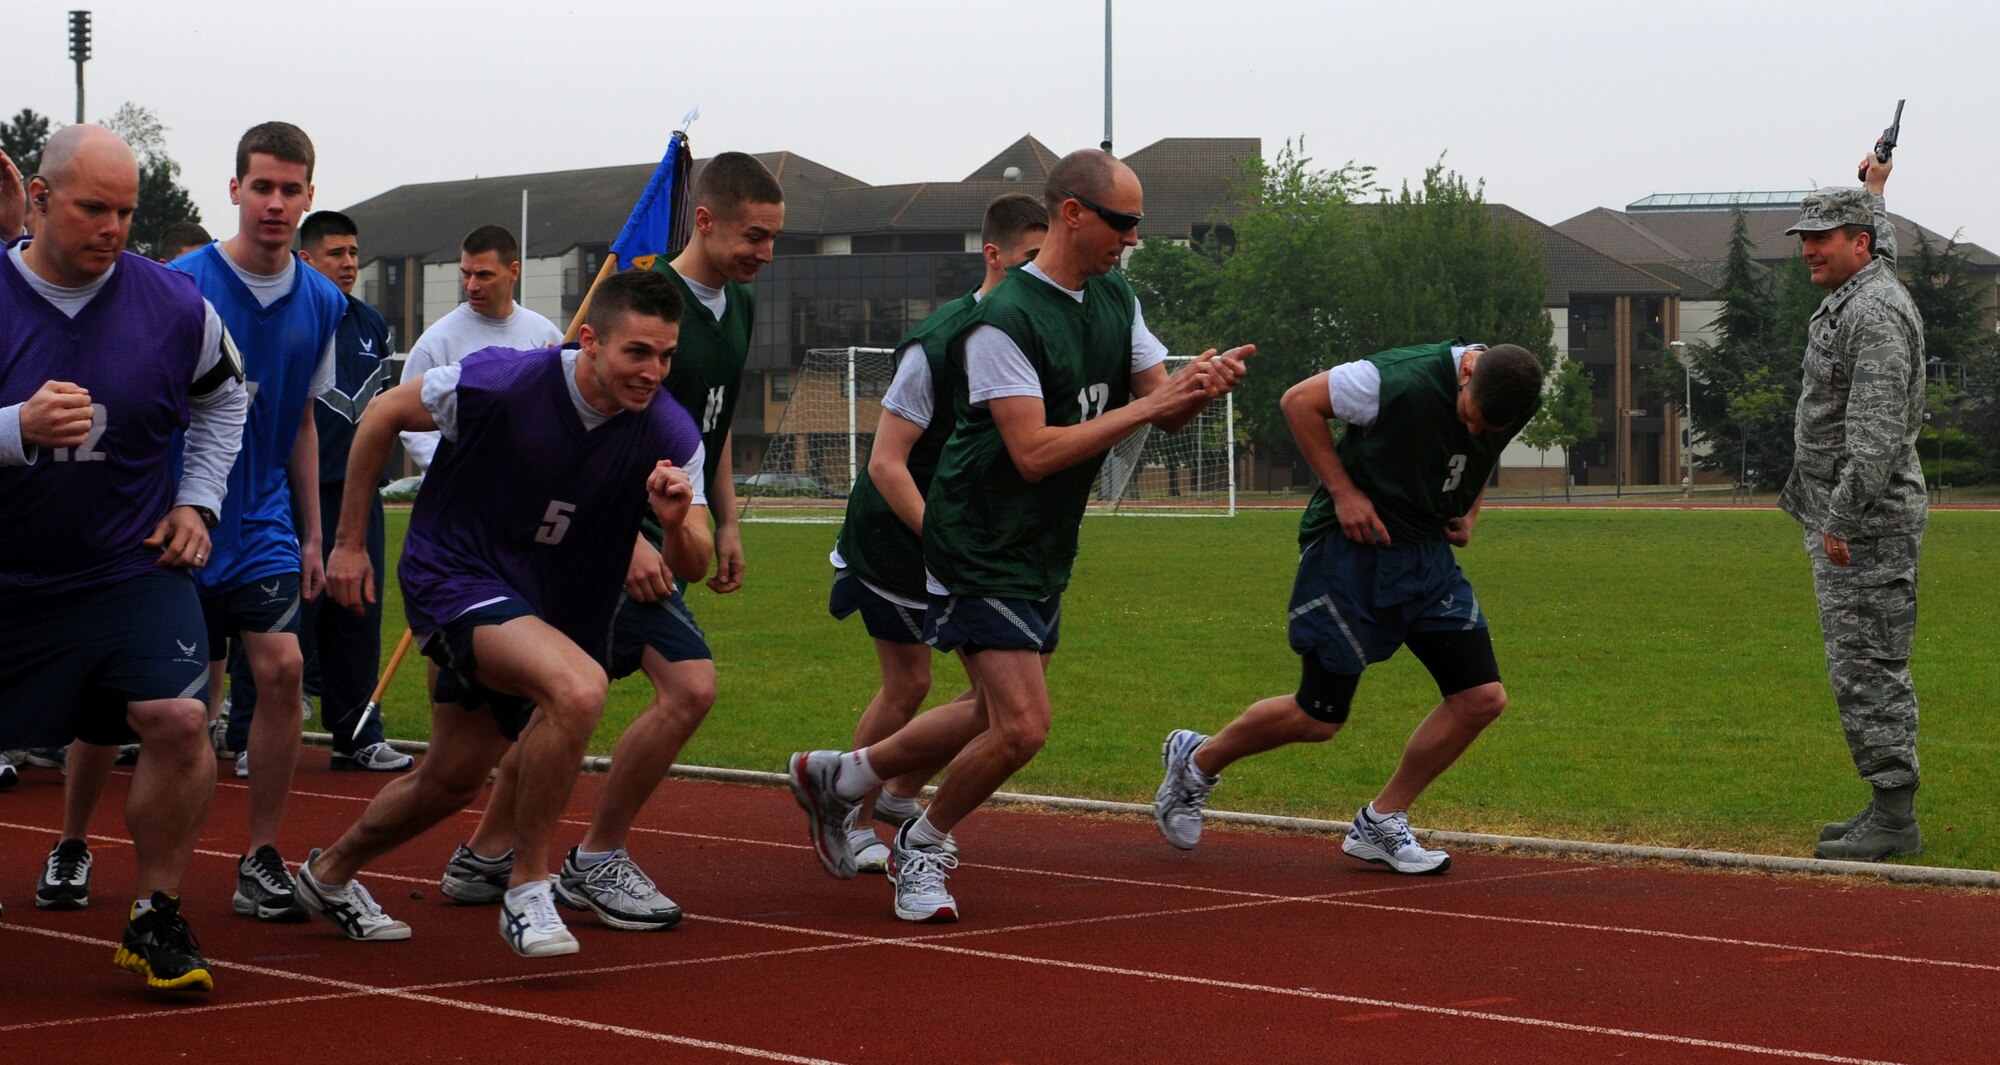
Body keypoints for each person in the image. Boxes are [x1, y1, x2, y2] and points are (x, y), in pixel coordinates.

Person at [790, 149, 1250, 923]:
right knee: (1025, 724)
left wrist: (1196, 391)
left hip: (1042, 540)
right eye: (1123, 221)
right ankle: (923, 844)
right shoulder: (999, 322)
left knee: (984, 709)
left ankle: (841, 776)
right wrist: (1149, 408)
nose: (1133, 238)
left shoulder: (1117, 300)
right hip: (978, 537)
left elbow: (1157, 405)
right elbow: (1033, 452)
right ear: (1073, 213)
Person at [297, 268, 706, 958]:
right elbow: (383, 416)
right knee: (578, 687)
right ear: (591, 342)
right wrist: (347, 543)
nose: (654, 371)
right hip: (454, 574)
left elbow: (691, 566)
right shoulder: (503, 382)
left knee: (449, 779)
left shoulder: (666, 427)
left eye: (666, 355)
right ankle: (529, 888)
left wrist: (673, 520)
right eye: (638, 351)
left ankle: (327, 872)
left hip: (544, 604)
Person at [432, 152, 779, 931]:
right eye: (754, 236)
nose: (764, 253)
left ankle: (488, 851)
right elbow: (578, 431)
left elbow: (707, 427)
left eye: (773, 238)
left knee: (562, 708)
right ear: (705, 219)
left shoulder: (736, 307)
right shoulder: (647, 304)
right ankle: (595, 856)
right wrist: (626, 537)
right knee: (686, 688)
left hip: (666, 528)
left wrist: (719, 520)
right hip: (601, 545)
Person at [2, 124, 247, 989]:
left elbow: (226, 397)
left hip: (125, 567)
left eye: (127, 211)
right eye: (92, 207)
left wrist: (198, 499)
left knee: (183, 721)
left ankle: (155, 914)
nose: (113, 228)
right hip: (9, 579)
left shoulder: (175, 304)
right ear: (37, 198)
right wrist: (14, 431)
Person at [1151, 340, 1544, 875]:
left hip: (1425, 559)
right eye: (1470, 417)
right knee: (1319, 717)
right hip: (1349, 552)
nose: (1474, 431)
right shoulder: (1391, 381)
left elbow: (1481, 452)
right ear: (1467, 369)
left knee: (1480, 698)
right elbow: (1297, 401)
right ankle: (1196, 763)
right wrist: (1343, 492)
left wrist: (1469, 509)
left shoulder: (1512, 394)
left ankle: (1381, 821)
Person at [826, 193, 1047, 873]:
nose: (1042, 278)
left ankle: (895, 790)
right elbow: (887, 463)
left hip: (972, 545)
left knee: (998, 692)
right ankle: (844, 815)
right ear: (994, 256)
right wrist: (942, 539)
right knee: (908, 683)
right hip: (898, 537)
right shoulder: (942, 341)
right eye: (1030, 262)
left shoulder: (1034, 336)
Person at [170, 121, 346, 921]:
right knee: (161, 705)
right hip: (176, 516)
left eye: (292, 189)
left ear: (310, 197)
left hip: (265, 516)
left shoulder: (325, 300)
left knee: (281, 671)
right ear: (235, 190)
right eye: (263, 187)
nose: (276, 203)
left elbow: (304, 419)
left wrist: (313, 532)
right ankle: (74, 841)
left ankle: (261, 855)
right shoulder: (177, 285)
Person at [223, 211, 412, 773]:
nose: (350, 263)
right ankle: (247, 735)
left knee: (358, 611)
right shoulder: (287, 318)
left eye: (354, 252)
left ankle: (357, 733)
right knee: (278, 614)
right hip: (292, 492)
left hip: (360, 496)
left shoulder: (372, 323)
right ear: (306, 259)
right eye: (336, 253)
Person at [1779, 155, 1927, 863]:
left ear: (1857, 244)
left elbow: (1874, 437)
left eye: (1825, 235)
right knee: (1862, 660)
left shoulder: (1873, 312)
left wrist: (1839, 518)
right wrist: (1873, 192)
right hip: (1851, 518)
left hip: (1865, 525)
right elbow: (1883, 242)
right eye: (1805, 236)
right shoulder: (1871, 283)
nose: (1809, 247)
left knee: (1867, 663)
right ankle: (1883, 802)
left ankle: (1894, 814)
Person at [397, 225, 561, 473]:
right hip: (460, 496)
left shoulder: (545, 335)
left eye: (484, 275)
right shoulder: (436, 342)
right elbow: (408, 422)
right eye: (466, 274)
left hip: (531, 490)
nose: (471, 286)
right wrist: (453, 472)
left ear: (513, 271)